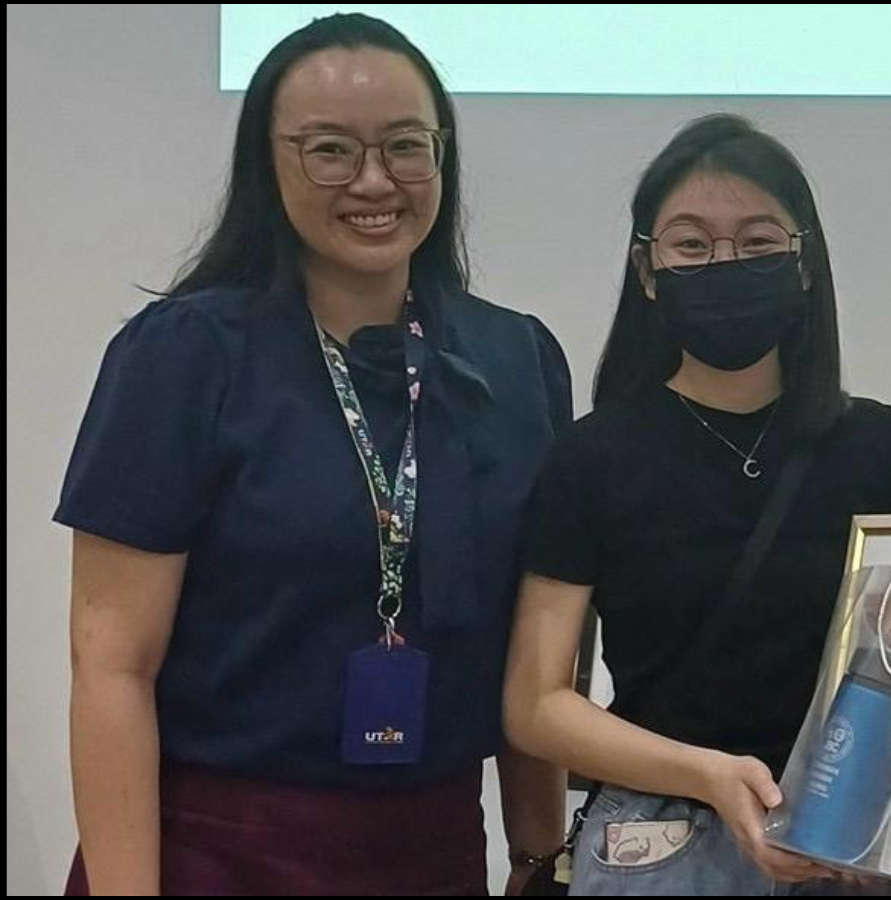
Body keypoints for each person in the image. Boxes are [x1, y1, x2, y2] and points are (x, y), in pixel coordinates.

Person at [57, 12, 571, 894]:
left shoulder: (517, 362)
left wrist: (537, 853)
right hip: (217, 852)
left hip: (434, 851)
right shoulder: (182, 356)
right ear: (267, 162)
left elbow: (533, 655)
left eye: (406, 146)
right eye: (329, 150)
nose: (375, 180)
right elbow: (111, 666)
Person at [501, 113, 891, 895]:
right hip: (658, 845)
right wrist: (710, 774)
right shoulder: (594, 456)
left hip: (838, 843)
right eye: (692, 245)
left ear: (803, 265)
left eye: (759, 242)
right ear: (648, 270)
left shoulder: (874, 444)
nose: (725, 263)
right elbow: (535, 703)